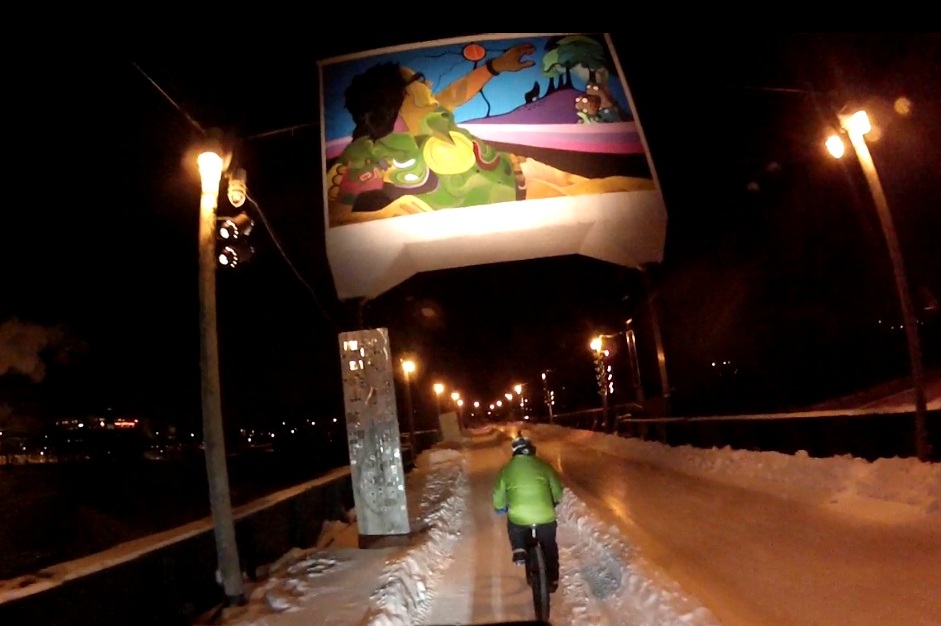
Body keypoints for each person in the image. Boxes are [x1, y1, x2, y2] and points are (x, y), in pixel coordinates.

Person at [326, 42, 654, 226]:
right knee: (609, 198)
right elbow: (339, 214)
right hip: (518, 201)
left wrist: (496, 67)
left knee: (614, 189)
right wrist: (386, 212)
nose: (428, 83)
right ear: (398, 98)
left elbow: (457, 92)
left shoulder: (432, 113)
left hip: (519, 173)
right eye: (419, 80)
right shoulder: (374, 151)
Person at [492, 433, 564, 592]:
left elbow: (498, 494)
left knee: (514, 523)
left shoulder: (507, 469)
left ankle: (519, 549)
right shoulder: (543, 465)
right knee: (550, 547)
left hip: (520, 516)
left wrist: (500, 507)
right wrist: (554, 501)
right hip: (545, 516)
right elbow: (558, 490)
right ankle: (552, 580)